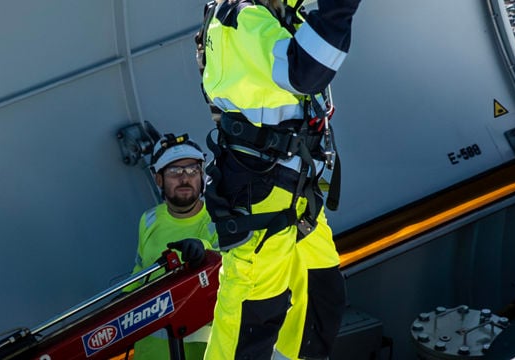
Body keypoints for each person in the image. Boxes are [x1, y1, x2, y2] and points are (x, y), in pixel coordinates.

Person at [196, 0, 357, 359]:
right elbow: (306, 71)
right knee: (251, 320)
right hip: (261, 191)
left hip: (295, 191)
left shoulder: (278, 15)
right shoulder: (241, 19)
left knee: (321, 297)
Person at [129, 135, 218, 360]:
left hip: (200, 352)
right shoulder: (149, 220)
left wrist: (202, 249)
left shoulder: (220, 220)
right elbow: (138, 276)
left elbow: (225, 264)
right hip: (150, 351)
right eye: (175, 172)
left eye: (192, 170)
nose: (185, 179)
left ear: (202, 175)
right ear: (158, 179)